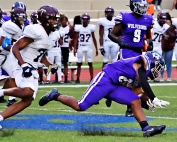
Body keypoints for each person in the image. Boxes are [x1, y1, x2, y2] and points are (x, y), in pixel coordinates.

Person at [39, 51, 170, 137]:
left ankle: (146, 129)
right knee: (80, 106)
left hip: (115, 87)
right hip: (105, 80)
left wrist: (147, 102)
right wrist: (154, 98)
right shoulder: (140, 64)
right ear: (150, 63)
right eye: (157, 67)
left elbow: (137, 94)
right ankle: (54, 95)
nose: (157, 71)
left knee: (134, 100)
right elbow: (142, 80)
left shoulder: (143, 76)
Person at [0, 5, 60, 128]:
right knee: (27, 92)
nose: (55, 21)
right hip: (22, 64)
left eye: (56, 19)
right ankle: (1, 92)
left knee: (28, 100)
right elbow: (16, 47)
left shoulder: (54, 35)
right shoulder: (35, 30)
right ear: (44, 19)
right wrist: (23, 65)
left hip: (33, 66)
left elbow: (40, 53)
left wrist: (49, 65)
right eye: (52, 19)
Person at [107, 0, 154, 117]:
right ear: (134, 6)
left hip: (139, 52)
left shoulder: (148, 19)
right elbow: (111, 34)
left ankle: (128, 106)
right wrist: (119, 42)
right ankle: (113, 96)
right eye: (140, 6)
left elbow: (148, 36)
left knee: (135, 81)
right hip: (126, 51)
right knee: (126, 80)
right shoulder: (124, 17)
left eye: (144, 7)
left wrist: (150, 42)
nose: (143, 9)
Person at [0, 7, 26, 107]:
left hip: (6, 55)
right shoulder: (10, 26)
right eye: (19, 17)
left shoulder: (16, 26)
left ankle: (11, 99)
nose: (22, 19)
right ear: (14, 17)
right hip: (2, 54)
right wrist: (17, 49)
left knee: (14, 75)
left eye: (23, 17)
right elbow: (4, 44)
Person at [74, 13, 98, 83]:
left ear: (88, 20)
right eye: (84, 19)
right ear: (81, 20)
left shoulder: (91, 27)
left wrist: (96, 48)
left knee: (90, 63)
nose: (85, 21)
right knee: (79, 63)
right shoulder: (78, 27)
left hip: (89, 46)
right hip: (81, 46)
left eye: (86, 19)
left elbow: (93, 38)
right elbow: (76, 38)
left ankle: (91, 78)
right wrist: (75, 48)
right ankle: (78, 78)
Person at [161, 13, 176, 82]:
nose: (167, 23)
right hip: (163, 48)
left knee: (168, 63)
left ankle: (169, 76)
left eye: (169, 22)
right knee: (161, 63)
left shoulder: (174, 31)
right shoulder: (162, 29)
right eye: (166, 22)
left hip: (170, 48)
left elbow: (174, 38)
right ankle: (161, 76)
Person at [59, 15, 72, 83]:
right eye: (62, 20)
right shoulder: (59, 28)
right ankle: (57, 77)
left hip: (66, 46)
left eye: (65, 20)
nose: (64, 21)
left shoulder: (69, 28)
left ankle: (66, 78)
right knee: (57, 63)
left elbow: (72, 34)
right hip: (59, 47)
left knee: (65, 63)